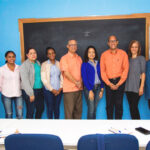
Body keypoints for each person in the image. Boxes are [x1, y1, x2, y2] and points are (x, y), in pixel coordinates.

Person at [100, 35, 129, 119]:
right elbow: (103, 71)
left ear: (117, 42)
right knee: (109, 105)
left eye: (114, 41)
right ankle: (110, 125)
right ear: (108, 43)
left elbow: (125, 70)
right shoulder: (104, 55)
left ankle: (118, 126)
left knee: (119, 105)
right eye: (110, 41)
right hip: (108, 82)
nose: (112, 43)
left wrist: (118, 84)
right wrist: (109, 84)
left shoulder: (123, 54)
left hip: (120, 82)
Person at [60, 39, 82, 119]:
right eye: (71, 45)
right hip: (69, 90)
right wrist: (76, 82)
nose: (73, 46)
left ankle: (77, 131)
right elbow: (66, 73)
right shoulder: (64, 58)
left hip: (79, 89)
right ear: (67, 46)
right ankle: (69, 131)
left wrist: (80, 83)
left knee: (78, 112)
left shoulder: (79, 58)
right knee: (69, 113)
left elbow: (82, 72)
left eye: (75, 44)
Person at [20, 48, 44, 119]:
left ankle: (36, 125)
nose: (33, 55)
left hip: (39, 90)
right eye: (31, 53)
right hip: (30, 91)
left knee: (40, 108)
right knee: (31, 111)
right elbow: (25, 81)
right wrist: (31, 94)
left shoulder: (38, 63)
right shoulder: (24, 65)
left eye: (34, 53)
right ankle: (28, 128)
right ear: (27, 55)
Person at [81, 46, 104, 119]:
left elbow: (102, 76)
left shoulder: (98, 64)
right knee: (91, 109)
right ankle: (89, 129)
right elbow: (84, 78)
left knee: (94, 109)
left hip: (98, 88)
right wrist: (90, 90)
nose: (91, 54)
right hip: (88, 88)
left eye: (93, 52)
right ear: (87, 54)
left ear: (95, 53)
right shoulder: (84, 64)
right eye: (89, 52)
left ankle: (94, 128)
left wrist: (102, 89)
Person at [125, 40, 146, 119]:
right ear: (130, 48)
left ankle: (138, 125)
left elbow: (143, 73)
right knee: (131, 107)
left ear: (139, 48)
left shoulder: (141, 58)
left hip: (137, 86)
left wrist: (141, 87)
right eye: (132, 47)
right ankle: (134, 125)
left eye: (136, 47)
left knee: (134, 106)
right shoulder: (127, 59)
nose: (134, 49)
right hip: (128, 87)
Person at [41, 47, 63, 119]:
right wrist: (52, 90)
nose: (52, 55)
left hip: (58, 90)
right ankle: (50, 127)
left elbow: (62, 77)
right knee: (50, 108)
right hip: (48, 91)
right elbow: (44, 79)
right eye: (49, 54)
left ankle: (57, 126)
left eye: (53, 53)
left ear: (55, 53)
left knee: (56, 108)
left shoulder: (59, 63)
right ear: (47, 55)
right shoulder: (44, 64)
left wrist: (60, 88)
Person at [0, 51, 23, 119]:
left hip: (18, 94)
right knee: (9, 114)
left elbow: (22, 80)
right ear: (6, 58)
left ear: (15, 57)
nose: (11, 58)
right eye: (9, 57)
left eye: (13, 56)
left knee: (20, 113)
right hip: (6, 95)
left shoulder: (19, 68)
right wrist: (2, 91)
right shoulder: (2, 69)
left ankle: (18, 129)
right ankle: (9, 130)